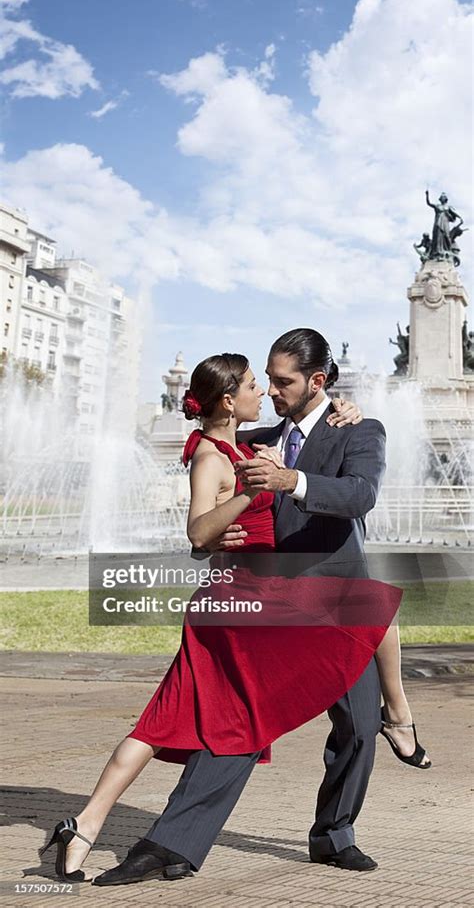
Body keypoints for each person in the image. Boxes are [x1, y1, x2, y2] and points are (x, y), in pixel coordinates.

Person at [40, 333, 428, 886]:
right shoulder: (256, 439)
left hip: (337, 603)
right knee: (239, 722)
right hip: (268, 607)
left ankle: (334, 834)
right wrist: (220, 538)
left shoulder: (359, 430)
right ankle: (170, 843)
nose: (270, 391)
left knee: (359, 727)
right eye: (265, 379)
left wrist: (291, 479)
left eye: (283, 382)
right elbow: (210, 501)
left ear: (317, 382)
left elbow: (359, 495)